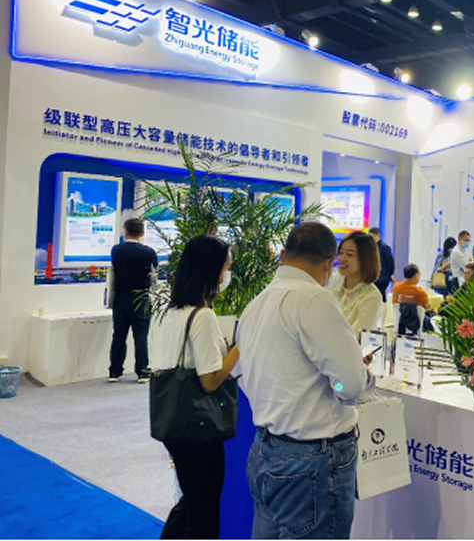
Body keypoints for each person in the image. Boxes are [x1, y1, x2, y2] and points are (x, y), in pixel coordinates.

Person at [237, 222, 373, 539]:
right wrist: (354, 377)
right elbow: (350, 386)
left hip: (265, 450)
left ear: (283, 256)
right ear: (328, 264)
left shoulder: (257, 303)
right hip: (312, 459)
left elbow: (250, 376)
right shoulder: (314, 299)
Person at [159, 235, 240, 540]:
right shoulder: (202, 316)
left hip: (174, 420)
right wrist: (239, 347)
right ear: (211, 270)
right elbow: (210, 381)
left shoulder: (172, 311)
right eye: (225, 269)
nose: (225, 276)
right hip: (199, 427)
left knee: (191, 501)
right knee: (204, 510)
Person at [108, 218, 159, 383]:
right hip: (141, 299)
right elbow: (154, 275)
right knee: (141, 337)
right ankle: (142, 371)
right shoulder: (149, 252)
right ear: (143, 233)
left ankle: (115, 372)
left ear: (125, 232)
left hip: (120, 299)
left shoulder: (116, 250)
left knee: (118, 336)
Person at [329, 231, 384, 336]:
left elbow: (356, 336)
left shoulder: (371, 296)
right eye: (340, 253)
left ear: (365, 259)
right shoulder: (333, 284)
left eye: (349, 255)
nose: (341, 258)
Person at [369, 227, 395, 302]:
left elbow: (390, 263)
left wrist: (390, 274)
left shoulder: (384, 247)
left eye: (373, 237)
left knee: (379, 296)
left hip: (382, 277)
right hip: (374, 277)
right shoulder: (371, 247)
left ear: (378, 236)